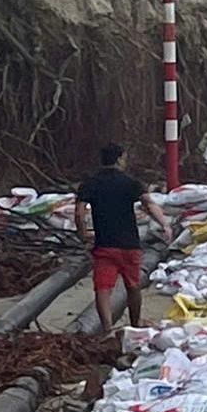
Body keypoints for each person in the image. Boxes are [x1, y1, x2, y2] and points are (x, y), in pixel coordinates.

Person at [75, 144, 173, 337]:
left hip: (104, 244)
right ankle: (135, 324)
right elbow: (149, 204)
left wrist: (84, 233)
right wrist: (164, 224)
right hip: (129, 243)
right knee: (133, 285)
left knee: (103, 288)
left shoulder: (90, 183)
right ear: (120, 159)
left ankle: (107, 329)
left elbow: (79, 213)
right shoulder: (130, 182)